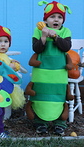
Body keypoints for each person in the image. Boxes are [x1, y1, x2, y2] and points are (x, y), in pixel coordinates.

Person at [25, 1, 72, 135]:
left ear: (63, 20)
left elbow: (66, 47)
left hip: (59, 71)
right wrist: (44, 36)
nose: (56, 19)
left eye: (59, 17)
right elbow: (36, 48)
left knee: (58, 95)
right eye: (52, 17)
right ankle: (40, 122)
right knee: (41, 94)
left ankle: (59, 123)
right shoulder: (38, 30)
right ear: (45, 19)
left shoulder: (66, 31)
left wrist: (55, 36)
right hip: (42, 71)